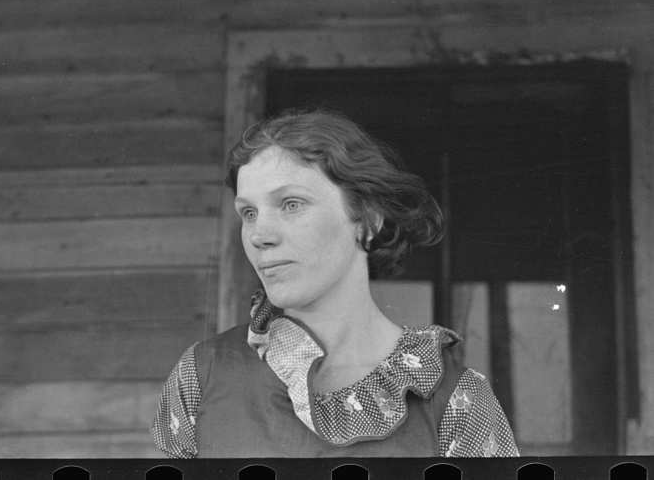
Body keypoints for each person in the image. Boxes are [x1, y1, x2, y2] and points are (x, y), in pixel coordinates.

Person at [151, 109, 519, 458]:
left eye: (291, 204)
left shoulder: (454, 396)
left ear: (367, 220)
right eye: (249, 212)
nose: (259, 234)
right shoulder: (202, 374)